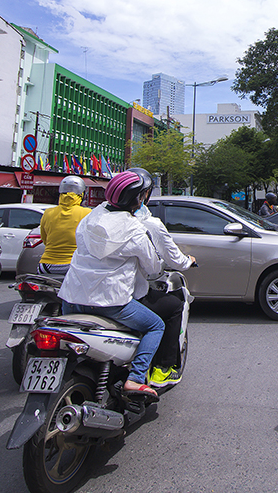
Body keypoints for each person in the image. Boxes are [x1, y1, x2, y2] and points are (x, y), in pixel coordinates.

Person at [58, 171, 165, 399]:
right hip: (111, 302)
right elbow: (154, 268)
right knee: (156, 326)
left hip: (70, 299)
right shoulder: (135, 228)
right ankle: (135, 379)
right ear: (139, 199)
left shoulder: (89, 219)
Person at [127, 167, 195, 387]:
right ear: (144, 195)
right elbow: (159, 265)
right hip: (121, 297)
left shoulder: (94, 221)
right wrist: (188, 262)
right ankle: (163, 367)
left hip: (77, 296)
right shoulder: (146, 226)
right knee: (174, 305)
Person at [37, 176, 91, 276]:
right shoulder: (87, 213)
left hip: (46, 266)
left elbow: (45, 239)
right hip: (72, 265)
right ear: (82, 195)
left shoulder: (48, 213)